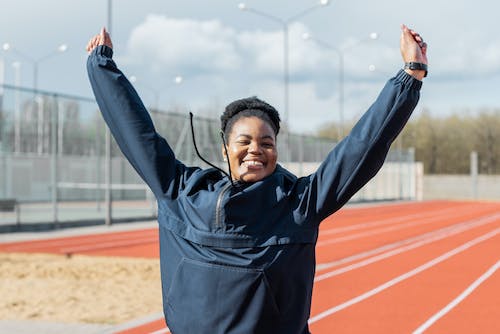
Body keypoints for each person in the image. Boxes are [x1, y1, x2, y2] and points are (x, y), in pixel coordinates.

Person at [86, 24, 427, 334]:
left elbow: (361, 148)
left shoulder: (299, 204)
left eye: (267, 143)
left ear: (277, 150)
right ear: (224, 149)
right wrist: (101, 67)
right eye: (244, 141)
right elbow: (136, 133)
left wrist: (410, 76)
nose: (255, 150)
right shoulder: (181, 192)